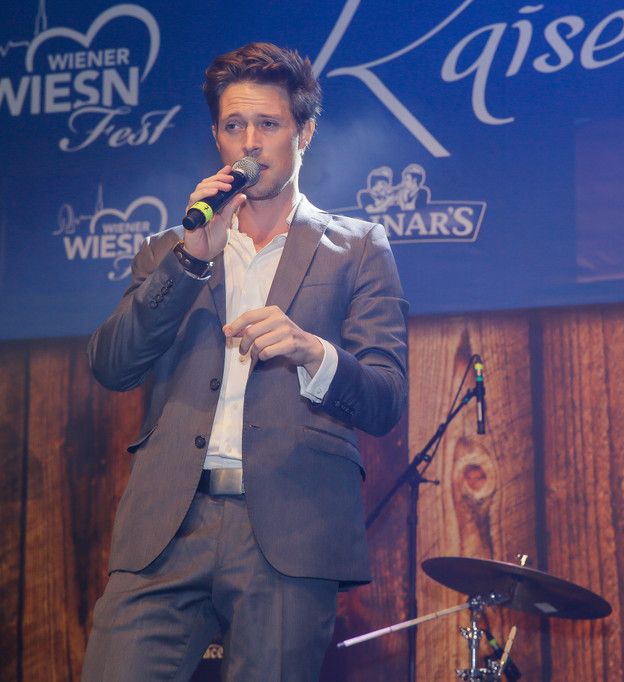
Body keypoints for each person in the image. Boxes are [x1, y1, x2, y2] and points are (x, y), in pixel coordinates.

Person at [81, 42, 408, 681]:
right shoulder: (170, 249)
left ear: (304, 133)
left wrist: (312, 351)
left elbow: (386, 398)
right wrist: (191, 258)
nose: (250, 143)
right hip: (167, 526)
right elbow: (112, 365)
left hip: (288, 528)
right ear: (217, 137)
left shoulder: (359, 248)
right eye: (234, 125)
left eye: (268, 124)